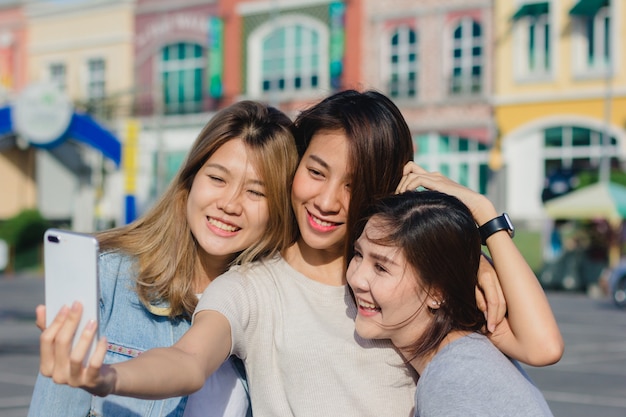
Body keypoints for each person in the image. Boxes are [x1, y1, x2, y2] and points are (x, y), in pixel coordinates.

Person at [37, 90, 560, 416]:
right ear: (293, 167)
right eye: (315, 171)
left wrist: (484, 227)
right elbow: (188, 362)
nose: (329, 201)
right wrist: (107, 377)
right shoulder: (252, 287)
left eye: (354, 185)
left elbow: (539, 346)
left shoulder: (398, 284)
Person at [29, 100, 299, 417]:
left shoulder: (270, 303)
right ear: (190, 180)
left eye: (256, 192)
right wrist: (104, 378)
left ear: (279, 209)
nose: (230, 203)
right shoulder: (107, 277)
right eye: (217, 179)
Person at [346, 179, 563, 416]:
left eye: (381, 268)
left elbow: (545, 346)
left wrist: (483, 211)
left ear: (437, 293)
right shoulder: (470, 350)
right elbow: (542, 346)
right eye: (358, 254)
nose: (357, 278)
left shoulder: (455, 382)